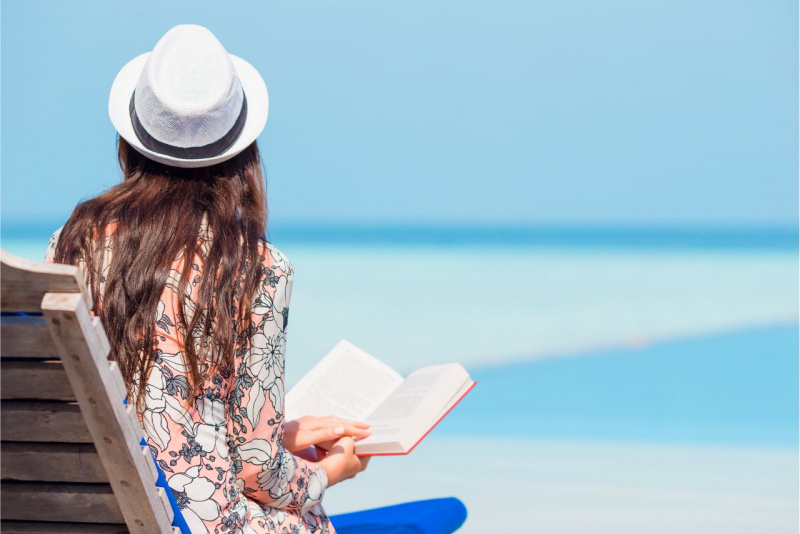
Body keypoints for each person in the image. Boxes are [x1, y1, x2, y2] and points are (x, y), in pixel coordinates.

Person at [45, 24, 371, 534]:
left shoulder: (72, 243)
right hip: (196, 526)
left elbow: (146, 412)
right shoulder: (254, 265)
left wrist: (278, 438)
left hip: (80, 512)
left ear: (132, 138)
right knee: (314, 517)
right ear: (244, 151)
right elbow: (256, 471)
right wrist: (328, 472)